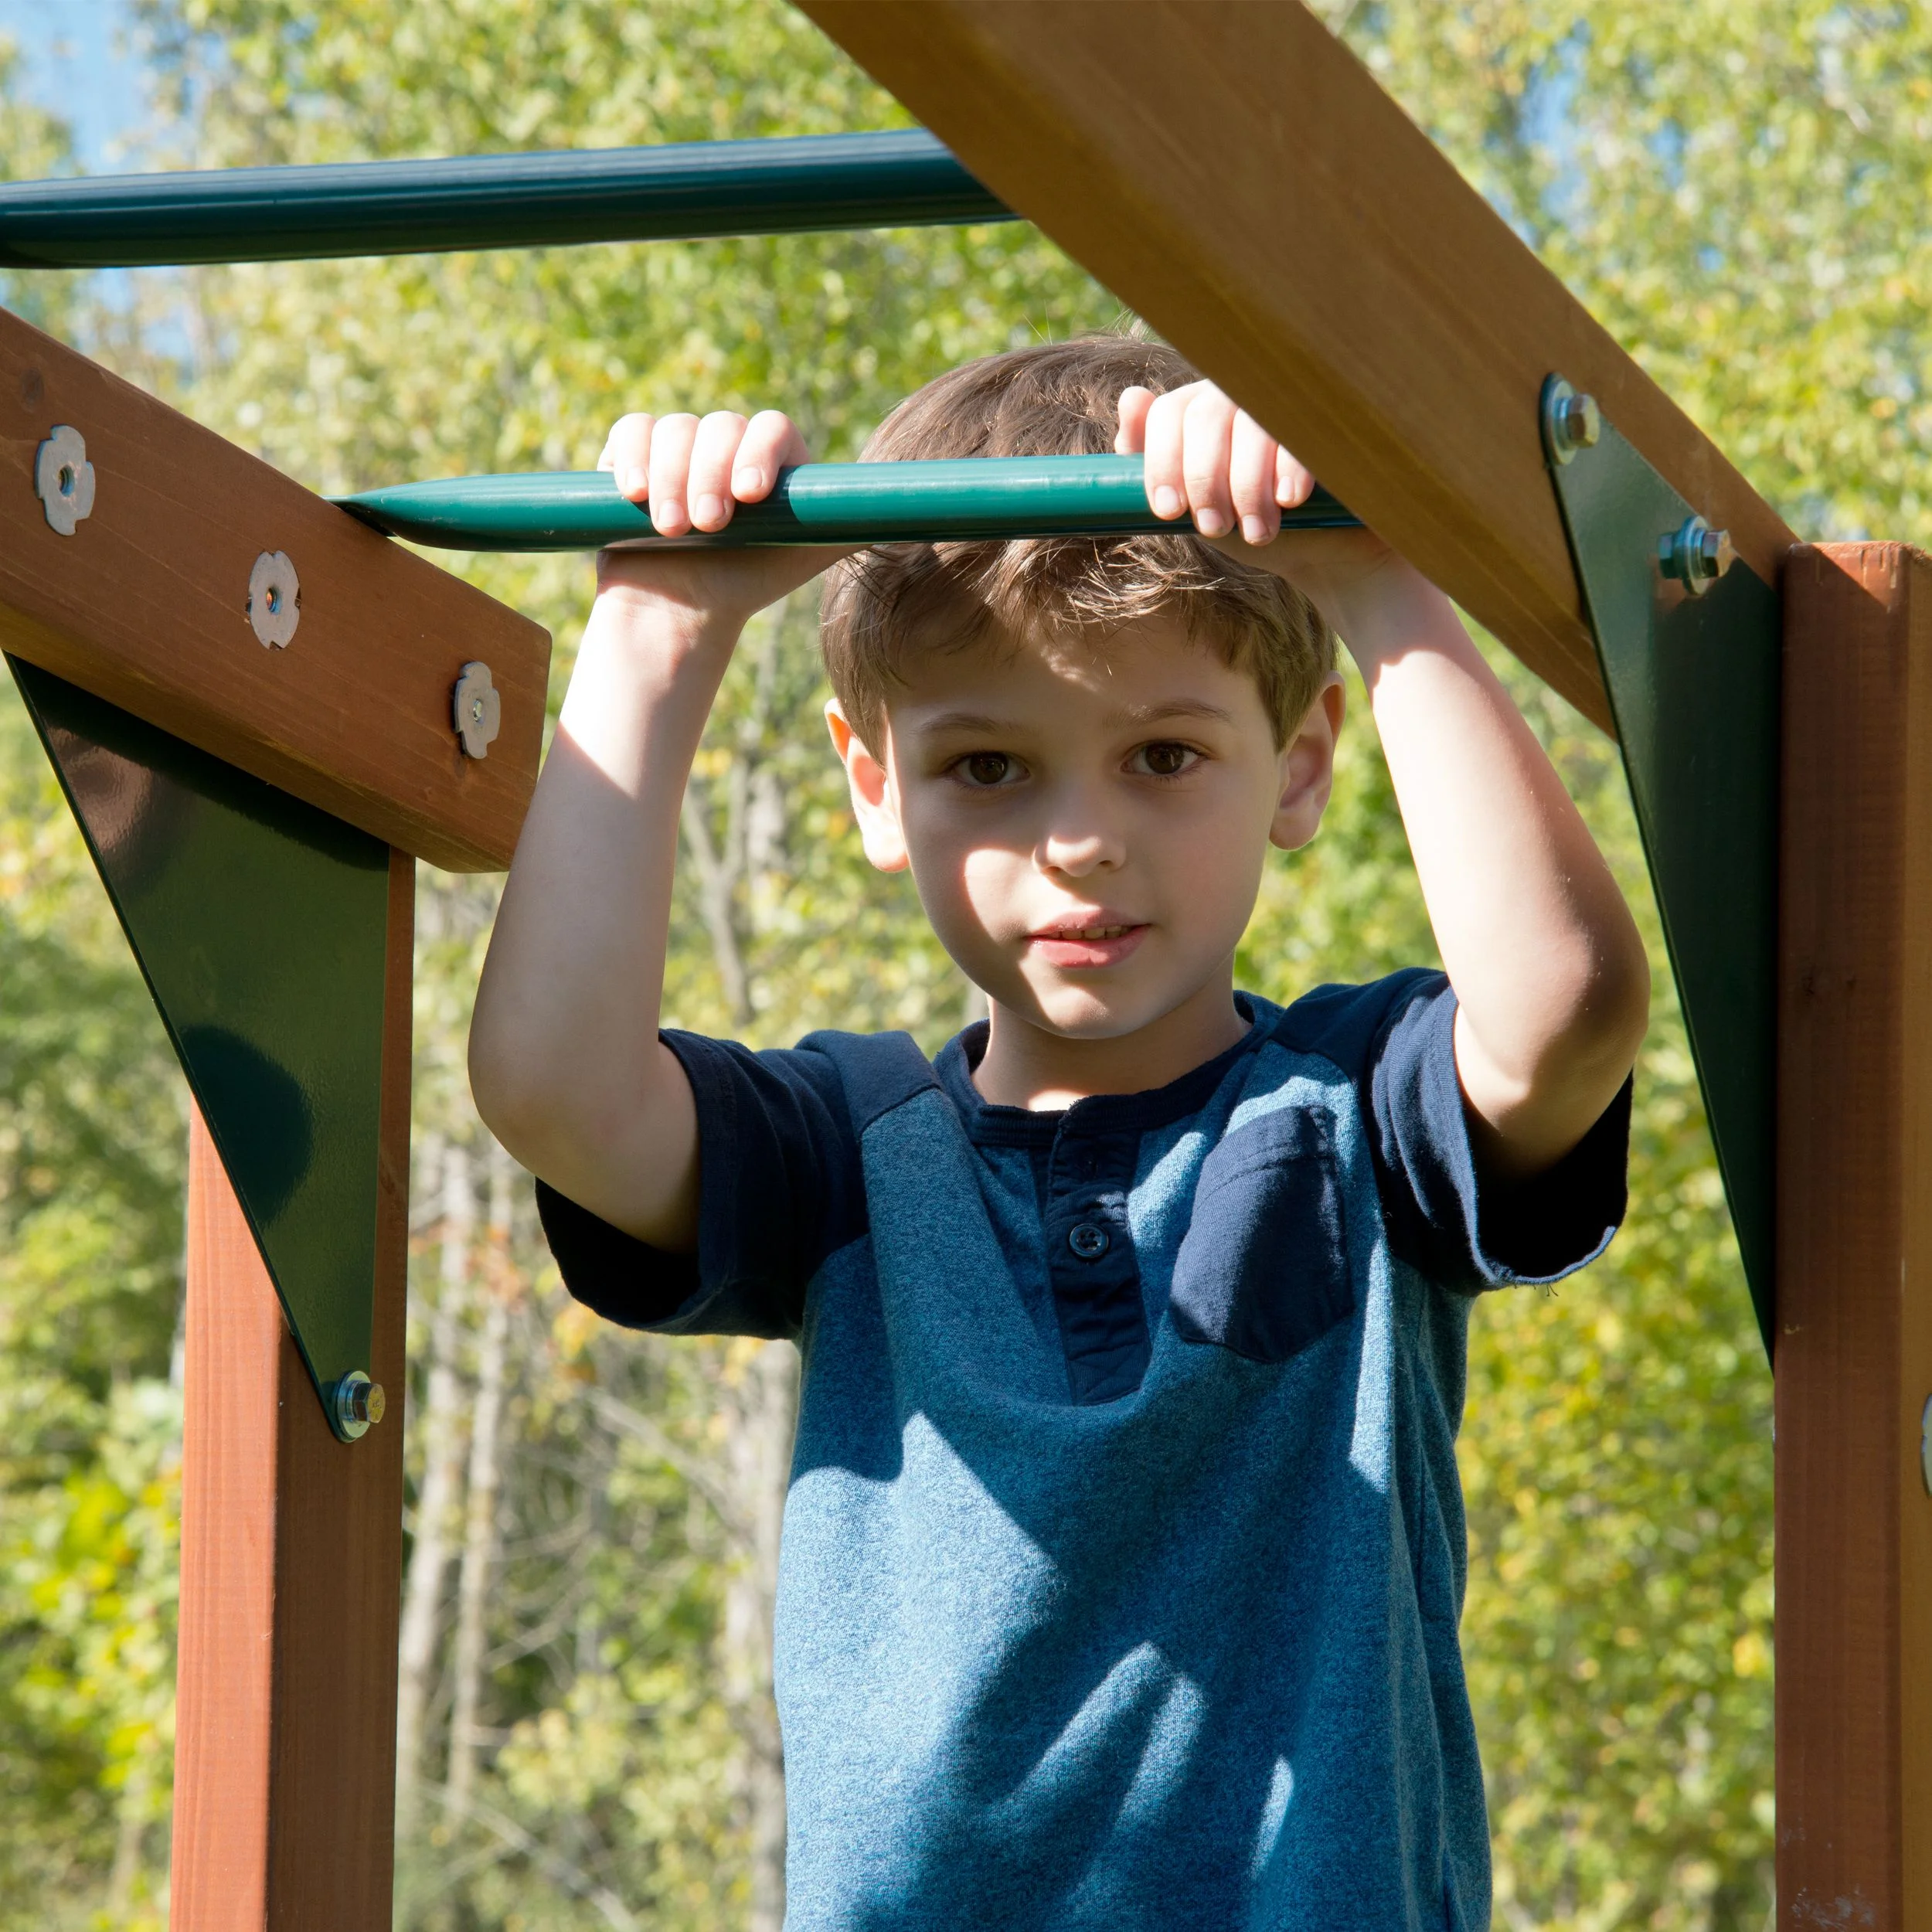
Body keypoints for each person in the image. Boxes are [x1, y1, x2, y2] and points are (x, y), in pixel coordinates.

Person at [468, 335, 1649, 1930]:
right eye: (986, 766)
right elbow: (552, 1084)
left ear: (1297, 765)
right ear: (875, 789)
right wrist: (651, 632)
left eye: (1163, 755)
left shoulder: (1351, 1105)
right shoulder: (846, 1151)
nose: (1078, 841)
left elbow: (1563, 1004)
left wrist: (1374, 582)